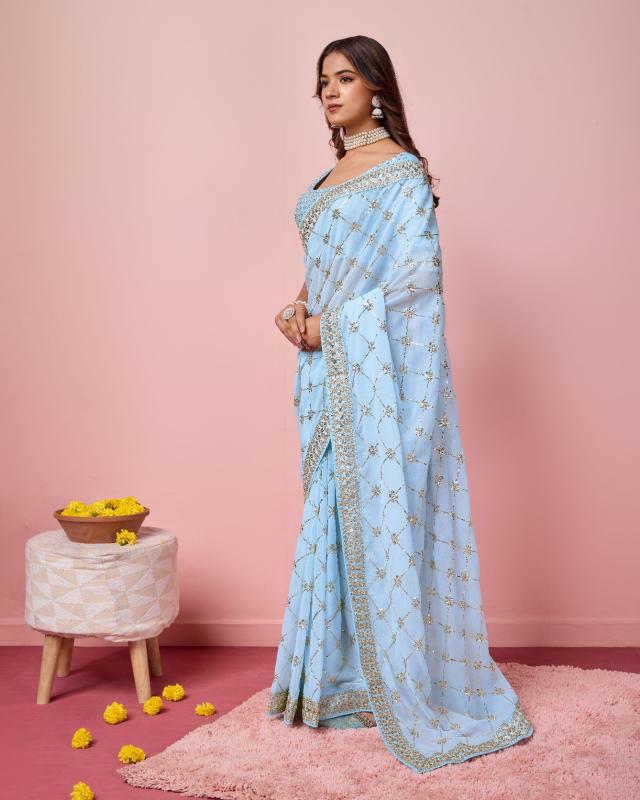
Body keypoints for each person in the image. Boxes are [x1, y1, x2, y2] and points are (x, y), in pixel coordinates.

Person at [266, 35, 534, 773]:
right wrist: (297, 310)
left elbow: (417, 279)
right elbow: (323, 272)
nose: (329, 91)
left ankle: (389, 682)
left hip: (376, 372)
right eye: (323, 80)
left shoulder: (401, 173)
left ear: (377, 89)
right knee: (329, 515)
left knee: (380, 517)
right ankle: (332, 682)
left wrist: (330, 327)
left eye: (345, 78)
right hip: (327, 372)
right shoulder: (328, 177)